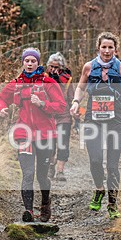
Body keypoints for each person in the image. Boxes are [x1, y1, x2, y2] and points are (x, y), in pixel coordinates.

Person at [69, 32, 121, 219]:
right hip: (93, 118)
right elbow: (81, 88)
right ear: (98, 48)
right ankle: (99, 189)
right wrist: (76, 102)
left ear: (116, 49)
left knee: (113, 165)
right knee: (95, 159)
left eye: (110, 47)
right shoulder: (89, 67)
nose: (107, 51)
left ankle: (112, 203)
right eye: (104, 47)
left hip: (116, 119)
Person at [0, 47, 66, 223]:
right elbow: (2, 98)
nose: (29, 64)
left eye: (33, 61)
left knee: (42, 176)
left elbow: (61, 107)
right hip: (24, 134)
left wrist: (42, 104)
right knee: (28, 174)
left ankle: (45, 204)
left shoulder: (49, 83)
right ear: (23, 62)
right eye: (26, 61)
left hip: (45, 136)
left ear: (38, 63)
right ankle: (28, 211)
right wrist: (2, 108)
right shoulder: (16, 83)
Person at [45, 52, 74, 183]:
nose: (54, 70)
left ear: (61, 68)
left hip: (64, 116)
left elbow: (72, 99)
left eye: (57, 67)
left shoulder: (67, 80)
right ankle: (51, 165)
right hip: (48, 116)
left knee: (62, 143)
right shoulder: (43, 79)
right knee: (49, 144)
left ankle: (60, 170)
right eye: (51, 66)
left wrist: (78, 113)